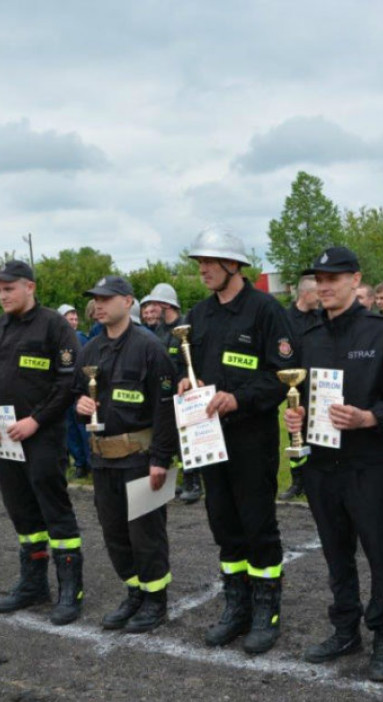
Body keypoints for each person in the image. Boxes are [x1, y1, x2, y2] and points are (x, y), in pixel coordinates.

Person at [284, 247, 383, 682]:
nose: (325, 286)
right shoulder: (308, 338)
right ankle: (345, 629)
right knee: (336, 554)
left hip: (369, 464)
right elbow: (302, 396)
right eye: (319, 279)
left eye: (334, 277)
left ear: (354, 279)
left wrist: (370, 417)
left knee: (382, 555)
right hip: (322, 466)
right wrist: (296, 416)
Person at [180, 225, 296, 655]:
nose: (203, 269)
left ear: (234, 265)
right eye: (199, 262)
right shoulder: (198, 313)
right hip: (209, 440)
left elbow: (283, 377)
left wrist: (238, 399)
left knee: (257, 524)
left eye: (209, 262)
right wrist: (182, 383)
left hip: (251, 439)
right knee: (224, 525)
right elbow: (186, 364)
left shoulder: (266, 310)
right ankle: (237, 606)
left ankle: (267, 610)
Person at [0, 260, 83, 625]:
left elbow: (68, 383)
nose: (2, 295)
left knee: (54, 511)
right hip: (4, 441)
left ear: (30, 287)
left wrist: (36, 420)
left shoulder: (54, 326)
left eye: (9, 288)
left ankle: (71, 588)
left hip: (42, 438)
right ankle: (34, 583)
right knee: (22, 512)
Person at [73, 276, 178, 632]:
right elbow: (80, 399)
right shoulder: (90, 350)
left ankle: (155, 600)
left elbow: (167, 410)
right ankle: (134, 592)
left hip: (141, 456)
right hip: (103, 459)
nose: (99, 304)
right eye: (95, 298)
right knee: (114, 532)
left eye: (106, 298)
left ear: (128, 301)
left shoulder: (149, 348)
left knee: (146, 534)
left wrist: (161, 459)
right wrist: (81, 404)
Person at [142, 282, 202, 504]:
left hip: (186, 394)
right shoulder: (158, 331)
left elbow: (193, 360)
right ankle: (182, 480)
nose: (150, 309)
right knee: (174, 441)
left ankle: (194, 483)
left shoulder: (184, 327)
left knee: (188, 440)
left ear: (166, 305)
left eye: (154, 304)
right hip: (166, 395)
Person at [280, 275, 322, 501]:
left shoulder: (322, 317)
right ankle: (298, 480)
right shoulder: (285, 319)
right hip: (295, 387)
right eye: (317, 292)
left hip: (318, 386)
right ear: (305, 294)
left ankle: (316, 478)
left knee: (318, 430)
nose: (321, 296)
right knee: (295, 433)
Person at [58, 303, 92, 479]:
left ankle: (90, 462)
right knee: (70, 430)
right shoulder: (55, 339)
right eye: (69, 318)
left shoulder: (81, 338)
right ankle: (79, 464)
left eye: (75, 318)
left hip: (80, 390)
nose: (73, 321)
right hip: (63, 392)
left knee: (83, 428)